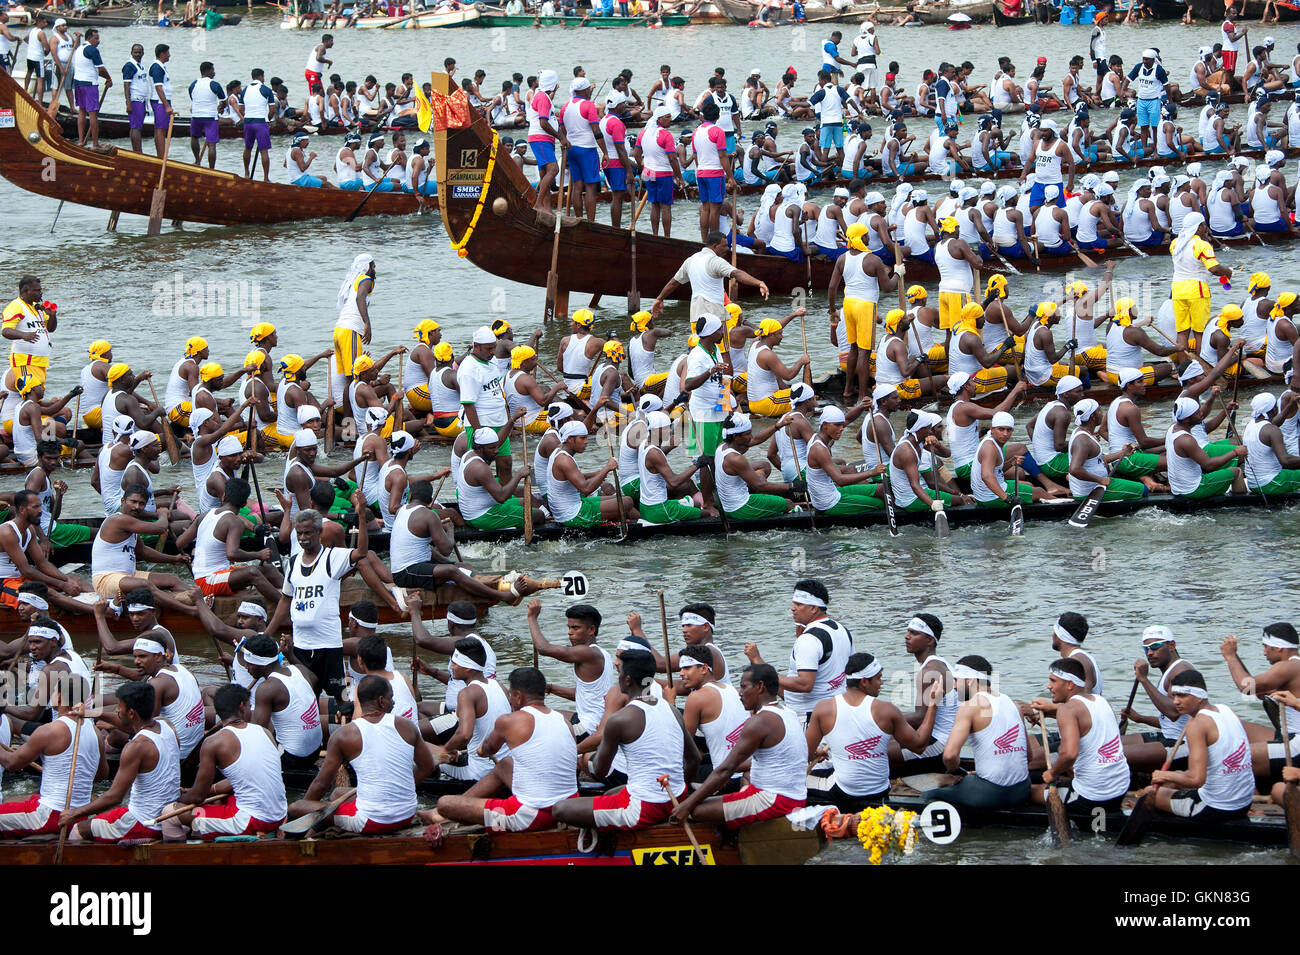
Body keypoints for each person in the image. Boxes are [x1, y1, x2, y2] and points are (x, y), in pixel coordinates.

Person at [551, 650, 699, 830]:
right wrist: (678, 793)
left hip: (644, 808)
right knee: (613, 793)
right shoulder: (672, 710)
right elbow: (694, 760)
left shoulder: (620, 719)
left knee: (559, 809)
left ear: (627, 679)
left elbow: (600, 770)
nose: (618, 678)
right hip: (676, 798)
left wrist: (602, 741)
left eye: (620, 673)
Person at [428, 667, 578, 832]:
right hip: (568, 806)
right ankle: (445, 811)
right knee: (505, 763)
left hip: (532, 815)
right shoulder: (565, 721)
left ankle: (439, 814)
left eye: (511, 695)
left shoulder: (509, 721)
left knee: (445, 803)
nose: (510, 700)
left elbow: (487, 749)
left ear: (519, 697)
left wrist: (480, 751)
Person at [291, 675, 435, 834]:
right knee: (338, 794)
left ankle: (298, 832)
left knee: (296, 807)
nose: (393, 703)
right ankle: (319, 827)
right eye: (391, 698)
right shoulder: (407, 726)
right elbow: (428, 767)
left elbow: (320, 785)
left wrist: (301, 818)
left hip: (371, 821)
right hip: (406, 813)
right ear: (381, 701)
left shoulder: (343, 735)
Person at [264, 493, 369, 708]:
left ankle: (349, 730)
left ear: (320, 533)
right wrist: (267, 634)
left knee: (343, 698)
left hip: (329, 646)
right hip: (301, 646)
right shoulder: (292, 563)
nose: (303, 538)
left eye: (308, 533)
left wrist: (360, 517)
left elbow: (361, 552)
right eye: (299, 534)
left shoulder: (332, 557)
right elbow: (285, 600)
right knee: (303, 698)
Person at [673, 663, 806, 827]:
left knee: (696, 809)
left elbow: (725, 768)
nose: (740, 693)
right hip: (794, 796)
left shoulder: (759, 722)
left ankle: (729, 844)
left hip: (774, 800)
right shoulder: (787, 711)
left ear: (760, 687)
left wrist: (685, 806)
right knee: (707, 797)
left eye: (744, 687)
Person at [807, 652, 937, 810]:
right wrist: (932, 705)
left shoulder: (823, 708)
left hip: (844, 791)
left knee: (799, 780)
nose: (881, 683)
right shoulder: (887, 710)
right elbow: (919, 745)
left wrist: (816, 752)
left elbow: (804, 754)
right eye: (878, 678)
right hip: (879, 790)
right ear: (863, 682)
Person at [63, 681, 180, 843]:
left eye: (119, 706)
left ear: (131, 713)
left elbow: (115, 797)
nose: (117, 710)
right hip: (166, 815)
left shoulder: (136, 747)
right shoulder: (167, 725)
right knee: (100, 811)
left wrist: (74, 814)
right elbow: (127, 723)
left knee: (79, 829)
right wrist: (92, 713)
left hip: (143, 822)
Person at [1133, 669, 1255, 822]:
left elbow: (1196, 780)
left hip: (1216, 808)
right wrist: (1171, 777)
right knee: (1172, 780)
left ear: (1199, 697)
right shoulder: (1226, 710)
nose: (1176, 701)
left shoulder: (1197, 724)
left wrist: (1163, 775)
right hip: (1244, 802)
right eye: (1174, 696)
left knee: (1148, 792)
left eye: (1182, 695)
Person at [169, 684, 287, 840]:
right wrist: (208, 791)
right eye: (249, 706)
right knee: (219, 798)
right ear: (242, 707)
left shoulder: (213, 742)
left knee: (171, 812)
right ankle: (206, 830)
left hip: (253, 822)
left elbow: (197, 797)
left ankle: (187, 848)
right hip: (280, 814)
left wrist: (178, 799)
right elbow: (251, 776)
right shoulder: (265, 732)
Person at [922, 655, 1031, 809]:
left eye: (956, 680)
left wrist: (955, 771)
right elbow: (1029, 756)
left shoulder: (969, 707)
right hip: (1022, 790)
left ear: (970, 681)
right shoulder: (1014, 705)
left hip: (991, 794)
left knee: (928, 793)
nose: (953, 687)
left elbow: (949, 756)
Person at [1028, 657, 1130, 818]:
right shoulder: (1102, 701)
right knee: (1046, 773)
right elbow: (1085, 724)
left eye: (1053, 681)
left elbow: (1069, 754)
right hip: (1121, 788)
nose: (1049, 686)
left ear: (1069, 684)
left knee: (1028, 791)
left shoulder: (1067, 710)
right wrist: (1051, 712)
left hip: (1092, 797)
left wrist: (1052, 774)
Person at [0, 674, 101, 837]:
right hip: (81, 813)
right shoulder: (96, 732)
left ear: (59, 697)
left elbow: (11, 763)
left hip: (53, 817)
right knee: (11, 800)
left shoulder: (49, 730)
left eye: (54, 691)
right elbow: (100, 774)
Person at [743, 579, 851, 723]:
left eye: (799, 604)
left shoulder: (809, 639)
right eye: (793, 603)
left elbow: (805, 684)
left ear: (814, 608)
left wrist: (759, 662)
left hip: (811, 716)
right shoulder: (841, 629)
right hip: (838, 709)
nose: (792, 608)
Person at [650, 232, 770, 329]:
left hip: (696, 318)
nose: (727, 249)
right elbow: (737, 273)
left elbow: (673, 283)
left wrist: (659, 298)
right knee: (723, 353)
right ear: (715, 246)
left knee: (699, 351)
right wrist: (759, 282)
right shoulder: (715, 261)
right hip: (715, 318)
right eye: (724, 246)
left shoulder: (690, 260)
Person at [2, 276, 55, 389]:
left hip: (41, 362)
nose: (41, 293)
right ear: (26, 290)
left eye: (40, 290)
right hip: (25, 362)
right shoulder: (16, 306)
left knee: (38, 396)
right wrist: (23, 335)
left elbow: (50, 329)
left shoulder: (36, 308)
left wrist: (52, 316)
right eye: (37, 290)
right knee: (33, 394)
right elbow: (5, 331)